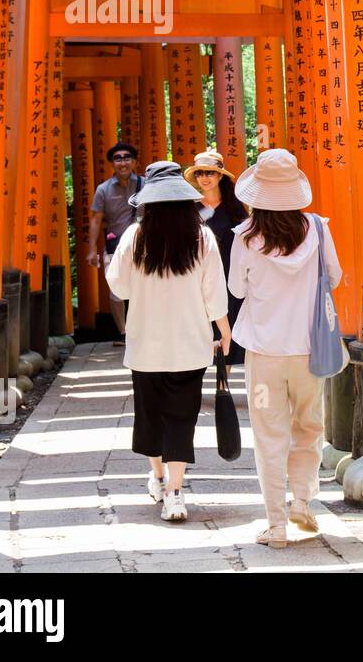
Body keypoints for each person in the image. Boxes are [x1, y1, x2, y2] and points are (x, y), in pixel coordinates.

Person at [227, 148, 342, 548]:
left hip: (264, 350)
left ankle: (276, 524)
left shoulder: (244, 237)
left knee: (269, 435)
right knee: (308, 427)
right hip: (309, 349)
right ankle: (303, 502)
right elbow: (335, 276)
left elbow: (236, 289)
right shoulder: (318, 229)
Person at [106, 161, 231, 523]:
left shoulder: (135, 235)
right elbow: (213, 292)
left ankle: (159, 478)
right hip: (190, 343)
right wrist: (223, 329)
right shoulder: (201, 235)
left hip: (145, 343)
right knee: (181, 417)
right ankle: (176, 493)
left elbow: (120, 287)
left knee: (150, 415)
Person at [185, 150, 249, 365]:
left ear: (220, 175)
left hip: (231, 276)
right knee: (200, 328)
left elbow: (247, 241)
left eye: (210, 172)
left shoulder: (235, 207)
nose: (205, 177)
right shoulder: (190, 209)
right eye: (200, 173)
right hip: (198, 278)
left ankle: (224, 380)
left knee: (228, 325)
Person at [88, 142, 144, 337]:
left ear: (135, 162)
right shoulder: (103, 189)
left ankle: (141, 328)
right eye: (118, 158)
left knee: (144, 287)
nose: (122, 162)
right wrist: (91, 249)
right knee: (115, 291)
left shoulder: (145, 185)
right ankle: (123, 331)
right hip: (115, 247)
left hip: (143, 246)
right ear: (112, 164)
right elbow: (96, 220)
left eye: (127, 157)